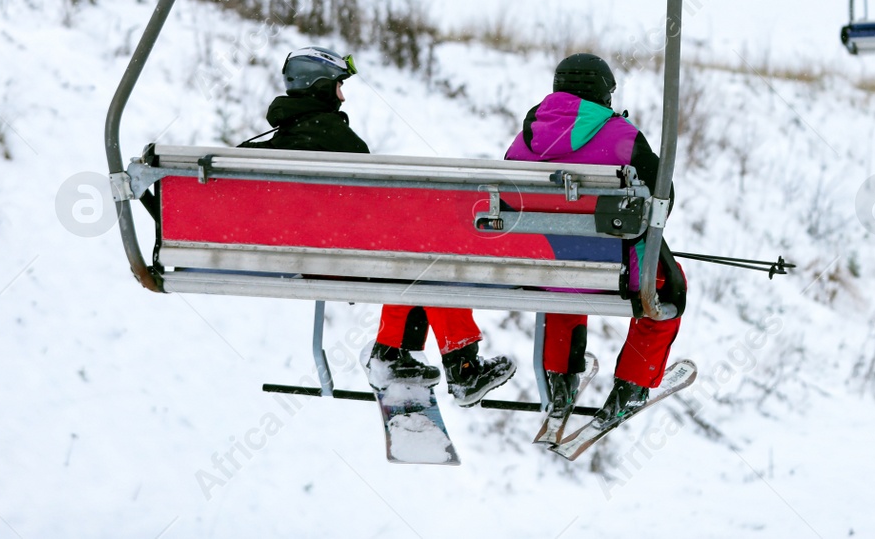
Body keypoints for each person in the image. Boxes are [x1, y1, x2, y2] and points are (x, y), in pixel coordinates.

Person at [242, 46, 514, 404]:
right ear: (320, 86)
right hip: (338, 257)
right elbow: (375, 201)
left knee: (417, 259)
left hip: (302, 255)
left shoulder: (281, 140)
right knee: (433, 257)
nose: (342, 95)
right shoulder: (332, 135)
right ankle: (461, 368)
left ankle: (392, 355)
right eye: (338, 85)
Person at [505, 53, 686, 436]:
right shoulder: (623, 137)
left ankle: (560, 379)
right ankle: (632, 384)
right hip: (613, 272)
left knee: (564, 279)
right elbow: (661, 201)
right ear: (604, 94)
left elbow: (508, 201)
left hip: (540, 268)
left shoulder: (524, 140)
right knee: (669, 289)